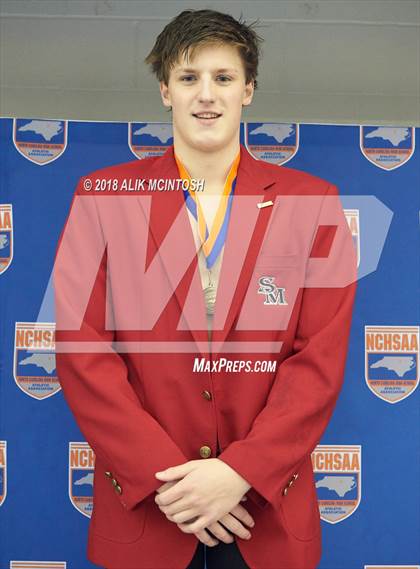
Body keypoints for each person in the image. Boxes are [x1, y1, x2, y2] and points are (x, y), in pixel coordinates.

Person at [53, 8, 357, 569]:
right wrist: (172, 484)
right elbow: (82, 349)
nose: (206, 95)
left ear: (249, 90)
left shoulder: (314, 202)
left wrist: (240, 472)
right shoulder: (104, 196)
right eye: (189, 78)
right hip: (150, 515)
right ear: (165, 90)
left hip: (265, 518)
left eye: (223, 77)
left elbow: (318, 363)